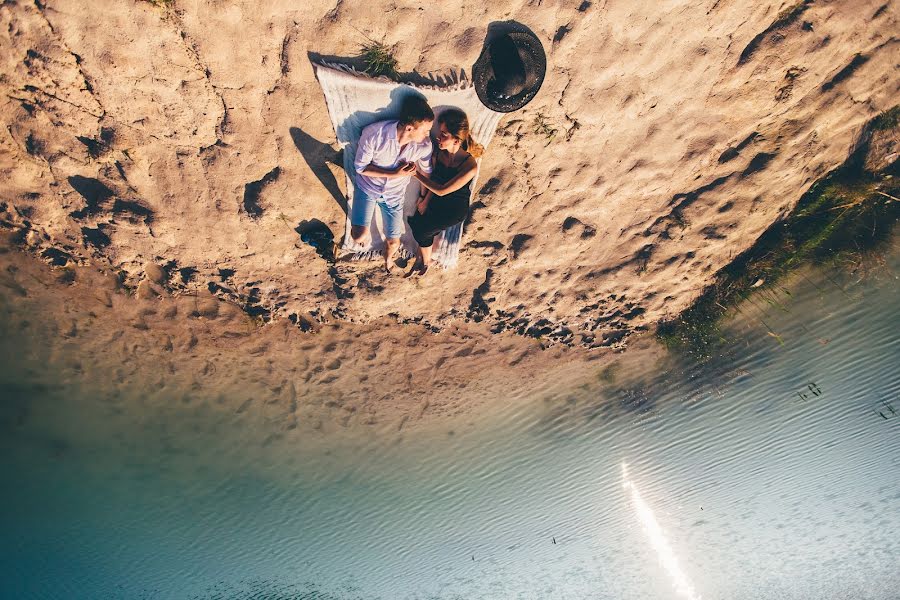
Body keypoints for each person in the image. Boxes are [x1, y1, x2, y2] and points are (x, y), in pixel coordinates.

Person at [352, 95, 434, 272]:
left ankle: (387, 261)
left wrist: (424, 196)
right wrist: (393, 173)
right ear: (410, 128)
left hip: (394, 196)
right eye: (425, 131)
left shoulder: (424, 146)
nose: (428, 135)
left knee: (394, 242)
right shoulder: (374, 134)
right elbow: (360, 167)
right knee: (358, 236)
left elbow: (427, 172)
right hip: (368, 187)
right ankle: (362, 235)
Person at [407, 108, 483, 276]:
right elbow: (436, 180)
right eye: (440, 132)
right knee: (418, 220)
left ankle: (425, 262)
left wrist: (415, 174)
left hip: (454, 209)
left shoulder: (469, 166)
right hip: (437, 200)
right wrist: (424, 200)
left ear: (456, 138)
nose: (438, 137)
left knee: (421, 230)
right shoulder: (440, 154)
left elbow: (442, 190)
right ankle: (422, 258)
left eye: (444, 134)